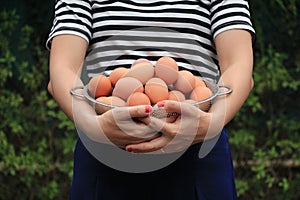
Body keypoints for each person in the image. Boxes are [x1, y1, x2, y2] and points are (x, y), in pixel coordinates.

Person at [47, 0, 255, 199]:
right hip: (106, 152)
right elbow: (62, 71)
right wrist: (92, 126)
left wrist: (212, 122)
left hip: (197, 152)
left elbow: (238, 66)